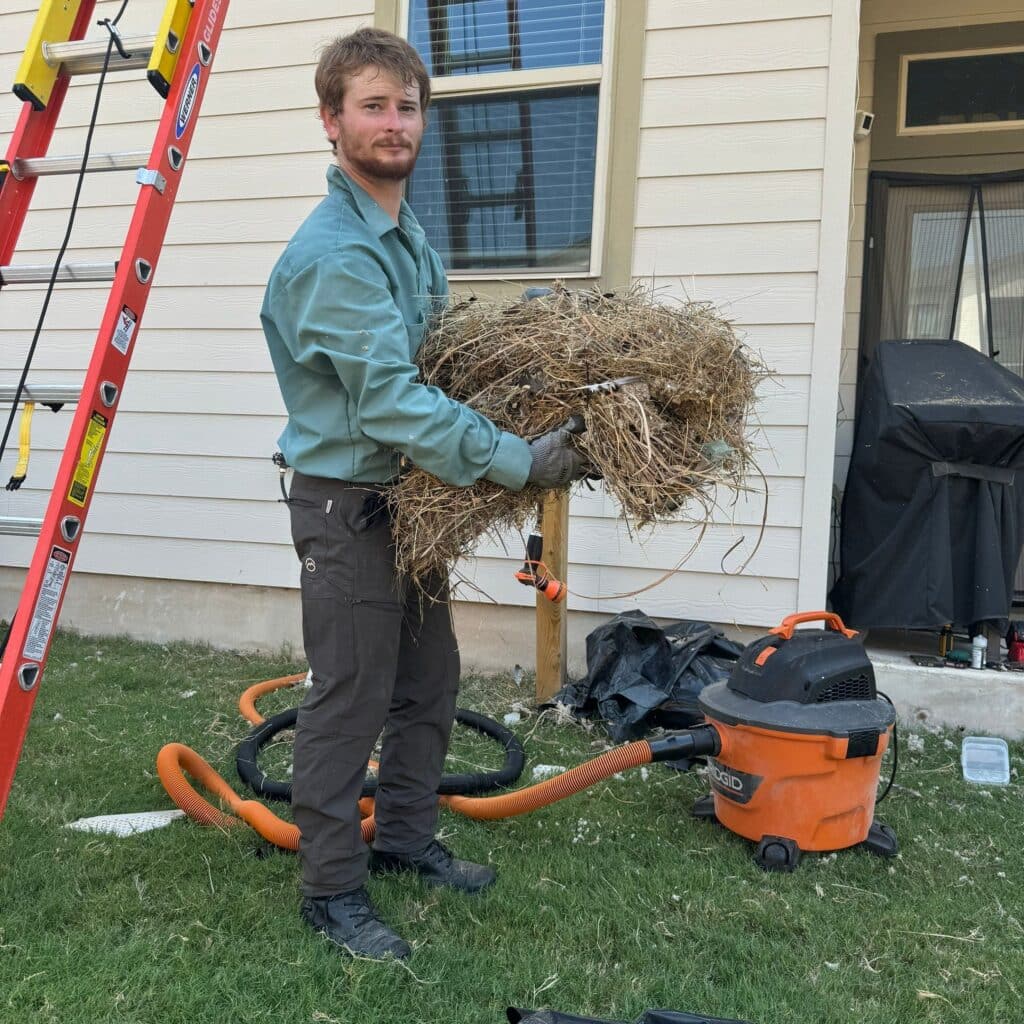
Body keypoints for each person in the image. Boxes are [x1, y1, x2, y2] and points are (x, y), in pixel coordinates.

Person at [260, 27, 587, 961]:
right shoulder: (337, 253)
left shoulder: (402, 235)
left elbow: (438, 353)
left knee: (429, 679)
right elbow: (398, 401)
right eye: (372, 105)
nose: (394, 122)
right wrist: (522, 460)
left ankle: (402, 838)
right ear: (332, 121)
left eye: (406, 107)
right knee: (351, 698)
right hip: (348, 504)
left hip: (407, 501)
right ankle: (332, 892)